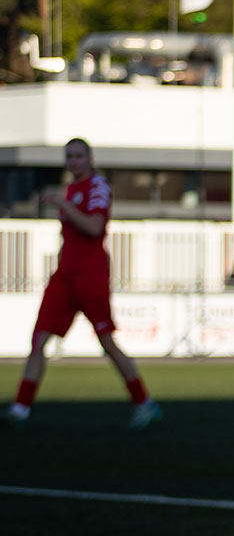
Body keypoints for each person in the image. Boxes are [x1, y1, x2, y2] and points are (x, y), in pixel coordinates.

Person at [4, 138, 161, 431]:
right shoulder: (71, 189)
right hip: (65, 275)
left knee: (106, 341)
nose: (73, 161)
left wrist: (64, 204)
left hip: (90, 275)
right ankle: (20, 409)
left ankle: (145, 403)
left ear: (89, 158)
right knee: (38, 340)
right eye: (69, 156)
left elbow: (94, 227)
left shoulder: (97, 187)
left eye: (78, 156)